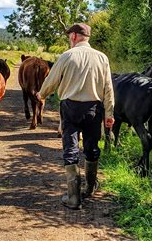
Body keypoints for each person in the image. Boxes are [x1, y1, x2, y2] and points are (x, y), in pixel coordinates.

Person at [37, 23, 115, 210]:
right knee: (91, 147)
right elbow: (108, 88)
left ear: (73, 36)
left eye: (68, 36)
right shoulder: (102, 58)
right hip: (94, 109)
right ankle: (88, 188)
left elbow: (52, 80)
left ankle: (73, 197)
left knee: (70, 148)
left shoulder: (66, 56)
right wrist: (109, 113)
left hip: (70, 107)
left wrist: (41, 95)